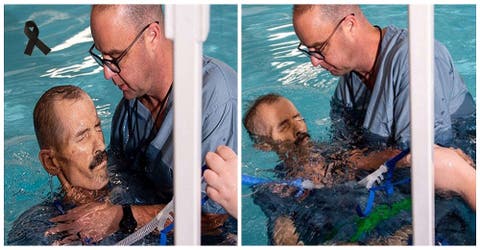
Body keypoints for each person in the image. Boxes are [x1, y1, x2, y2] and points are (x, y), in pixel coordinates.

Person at [45, 5, 237, 245]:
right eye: (102, 57)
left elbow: (216, 215)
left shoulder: (216, 98)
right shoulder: (128, 112)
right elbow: (117, 182)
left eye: (115, 58)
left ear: (152, 36)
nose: (106, 73)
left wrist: (123, 217)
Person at [292, 5, 475, 209]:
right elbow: (343, 151)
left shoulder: (415, 60)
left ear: (349, 25)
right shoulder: (348, 82)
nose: (314, 62)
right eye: (308, 51)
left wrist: (355, 162)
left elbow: (425, 160)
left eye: (320, 48)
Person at [243, 93, 476, 245]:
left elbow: (377, 159)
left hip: (408, 222)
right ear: (264, 146)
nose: (299, 128)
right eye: (284, 126)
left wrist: (421, 155)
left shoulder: (335, 152)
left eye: (298, 117)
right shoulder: (274, 189)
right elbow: (283, 232)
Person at [8, 85, 160, 245]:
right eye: (83, 137)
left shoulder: (136, 184)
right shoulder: (37, 229)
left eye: (98, 127)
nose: (100, 145)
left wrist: (123, 217)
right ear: (51, 162)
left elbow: (184, 215)